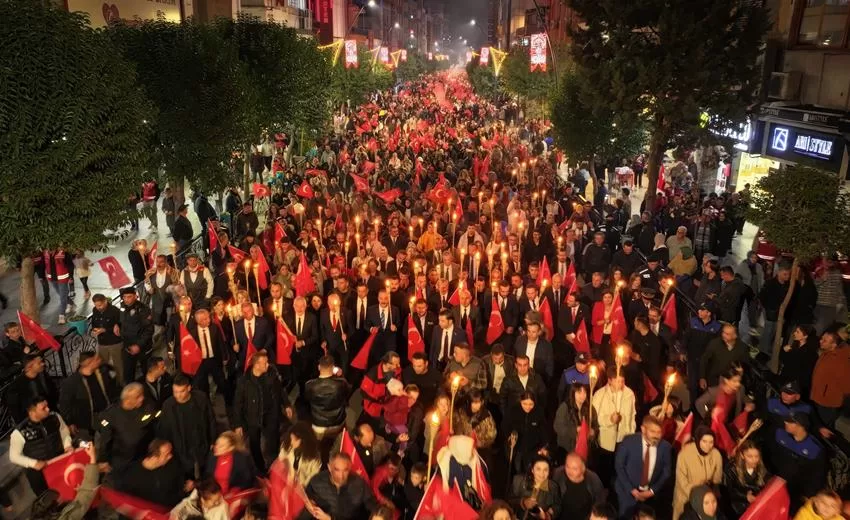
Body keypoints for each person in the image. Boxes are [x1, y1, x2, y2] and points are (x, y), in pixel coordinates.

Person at [233, 350, 291, 472]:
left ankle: (275, 464)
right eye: (265, 363)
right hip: (253, 417)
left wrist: (286, 405)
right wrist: (238, 424)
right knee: (255, 444)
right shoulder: (244, 382)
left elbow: (280, 390)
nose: (268, 364)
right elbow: (238, 404)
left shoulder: (271, 374)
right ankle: (261, 468)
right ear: (256, 365)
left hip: (271, 414)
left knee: (274, 439)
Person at [8, 395, 72, 500]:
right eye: (43, 408)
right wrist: (33, 463)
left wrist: (67, 445)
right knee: (49, 502)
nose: (48, 409)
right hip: (39, 475)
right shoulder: (19, 432)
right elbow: (14, 456)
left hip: (59, 463)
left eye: (47, 406)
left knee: (68, 493)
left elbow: (64, 430)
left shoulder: (55, 417)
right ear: (32, 412)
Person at [157, 373, 217, 480]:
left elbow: (211, 419)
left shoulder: (201, 399)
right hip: (181, 448)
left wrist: (213, 440)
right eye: (175, 392)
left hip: (201, 443)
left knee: (206, 471)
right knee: (186, 475)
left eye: (181, 391)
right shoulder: (168, 405)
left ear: (189, 388)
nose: (178, 395)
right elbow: (164, 429)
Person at [614, 415, 673, 519]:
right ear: (643, 429)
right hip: (627, 493)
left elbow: (666, 471)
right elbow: (619, 466)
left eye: (659, 432)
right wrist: (632, 490)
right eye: (652, 431)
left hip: (650, 496)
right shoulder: (629, 441)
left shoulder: (665, 447)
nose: (656, 436)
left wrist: (652, 491)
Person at [95, 382, 156, 474]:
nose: (142, 398)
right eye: (137, 397)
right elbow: (106, 441)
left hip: (144, 458)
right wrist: (103, 460)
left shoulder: (147, 406)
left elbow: (153, 423)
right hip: (122, 463)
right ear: (127, 400)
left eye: (142, 395)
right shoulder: (110, 416)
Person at [58, 351, 120, 439]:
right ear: (89, 362)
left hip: (105, 414)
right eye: (96, 359)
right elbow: (65, 404)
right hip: (86, 421)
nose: (100, 360)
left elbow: (113, 390)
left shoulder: (102, 372)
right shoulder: (72, 382)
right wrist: (69, 422)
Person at [300, 452, 378, 520]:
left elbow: (372, 505)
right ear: (329, 467)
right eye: (337, 470)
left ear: (350, 467)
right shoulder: (317, 481)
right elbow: (305, 501)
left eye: (345, 470)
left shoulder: (359, 484)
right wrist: (309, 504)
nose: (341, 475)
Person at [770, 412, 827, 505]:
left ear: (802, 426)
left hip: (798, 490)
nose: (786, 423)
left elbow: (818, 475)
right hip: (778, 483)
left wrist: (809, 495)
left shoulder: (814, 448)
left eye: (790, 422)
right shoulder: (781, 435)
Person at [115, 439, 187, 509]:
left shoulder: (172, 465)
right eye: (167, 454)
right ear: (155, 457)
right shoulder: (131, 475)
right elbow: (126, 503)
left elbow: (179, 485)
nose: (170, 456)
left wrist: (185, 489)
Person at [673, 426, 722, 519]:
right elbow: (681, 481)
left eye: (711, 442)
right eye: (704, 441)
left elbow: (717, 478)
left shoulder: (716, 454)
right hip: (686, 497)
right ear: (698, 440)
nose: (708, 445)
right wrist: (697, 495)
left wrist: (711, 492)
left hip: (706, 500)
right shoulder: (684, 454)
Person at [809, 330, 850, 429]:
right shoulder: (827, 352)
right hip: (817, 397)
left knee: (822, 428)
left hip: (827, 403)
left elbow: (847, 386)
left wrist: (829, 393)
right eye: (822, 338)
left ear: (834, 345)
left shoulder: (842, 360)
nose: (821, 341)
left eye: (825, 340)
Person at [305, 354, 351, 441]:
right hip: (337, 421)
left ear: (319, 367)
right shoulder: (341, 383)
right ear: (333, 368)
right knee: (337, 442)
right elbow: (347, 394)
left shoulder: (309, 385)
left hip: (318, 423)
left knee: (318, 445)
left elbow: (307, 398)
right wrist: (340, 375)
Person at [503, 392, 548, 476]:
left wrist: (543, 446)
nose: (528, 407)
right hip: (517, 448)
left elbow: (544, 431)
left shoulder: (539, 412)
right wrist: (509, 437)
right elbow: (505, 426)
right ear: (520, 402)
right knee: (517, 471)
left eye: (531, 404)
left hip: (533, 449)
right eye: (525, 404)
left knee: (530, 472)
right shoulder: (513, 411)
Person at [552, 452, 606, 520]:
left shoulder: (593, 479)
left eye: (574, 468)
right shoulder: (558, 474)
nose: (569, 471)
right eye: (567, 466)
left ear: (583, 469)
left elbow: (600, 503)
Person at [725, 441, 771, 518]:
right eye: (750, 456)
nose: (754, 460)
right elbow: (728, 492)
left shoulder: (762, 468)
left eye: (757, 456)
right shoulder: (732, 470)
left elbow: (767, 483)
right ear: (742, 455)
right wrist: (745, 497)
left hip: (757, 507)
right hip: (739, 509)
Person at [119, 286, 155, 384]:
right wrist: (116, 325)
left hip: (142, 347)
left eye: (129, 297)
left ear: (135, 296)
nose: (126, 299)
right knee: (128, 373)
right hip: (128, 346)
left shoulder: (143, 309)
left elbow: (149, 330)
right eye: (124, 297)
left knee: (148, 372)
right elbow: (122, 320)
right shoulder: (122, 306)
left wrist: (138, 345)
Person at [7, 354, 59, 422]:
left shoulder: (43, 376)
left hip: (50, 415)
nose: (43, 364)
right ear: (29, 367)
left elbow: (52, 393)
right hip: (33, 422)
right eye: (39, 363)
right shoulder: (16, 386)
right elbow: (16, 411)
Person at [699, 324, 748, 390]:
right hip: (714, 382)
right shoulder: (714, 344)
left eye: (727, 334)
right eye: (723, 332)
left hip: (731, 384)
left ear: (735, 335)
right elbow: (704, 360)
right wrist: (702, 377)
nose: (723, 335)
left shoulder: (742, 348)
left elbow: (744, 364)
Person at [90, 293, 125, 383]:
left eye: (100, 305)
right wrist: (95, 329)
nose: (99, 307)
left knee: (118, 364)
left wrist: (105, 330)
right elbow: (94, 323)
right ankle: (106, 382)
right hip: (102, 343)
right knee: (103, 364)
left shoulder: (115, 311)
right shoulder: (95, 310)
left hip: (115, 343)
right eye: (96, 305)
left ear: (105, 301)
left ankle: (120, 383)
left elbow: (121, 326)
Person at [778, 325, 819, 397]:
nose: (794, 333)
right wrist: (784, 351)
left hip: (794, 384)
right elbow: (784, 360)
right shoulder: (795, 345)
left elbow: (804, 371)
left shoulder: (809, 353)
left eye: (798, 332)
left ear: (805, 336)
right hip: (786, 379)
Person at [554, 383, 595, 455]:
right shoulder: (565, 407)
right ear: (573, 393)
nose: (582, 395)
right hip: (567, 448)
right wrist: (575, 429)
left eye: (584, 392)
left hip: (584, 447)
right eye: (579, 392)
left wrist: (593, 432)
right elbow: (558, 427)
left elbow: (595, 424)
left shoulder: (589, 408)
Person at [278, 422, 322, 488]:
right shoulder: (286, 446)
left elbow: (313, 476)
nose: (291, 442)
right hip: (286, 483)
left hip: (303, 488)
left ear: (304, 440)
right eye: (291, 438)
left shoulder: (314, 456)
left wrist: (302, 485)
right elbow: (280, 463)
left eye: (295, 440)